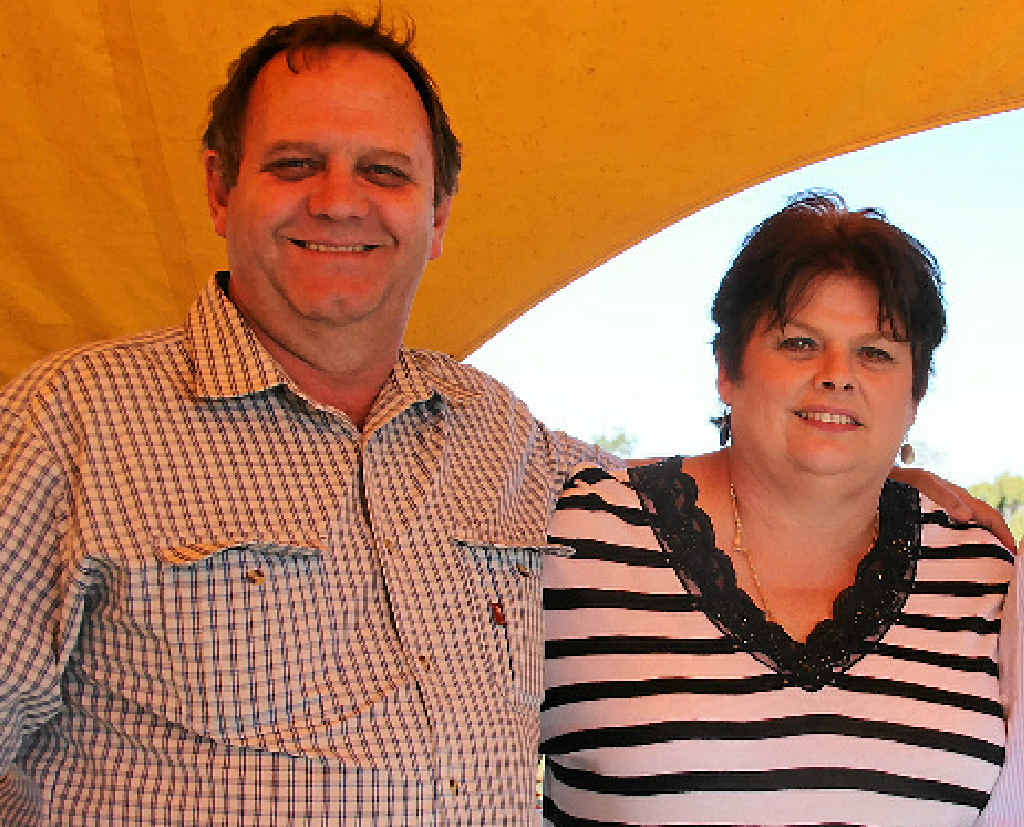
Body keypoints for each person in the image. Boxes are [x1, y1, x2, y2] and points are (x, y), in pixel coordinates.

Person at [0, 12, 1008, 825]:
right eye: (295, 164)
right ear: (221, 188)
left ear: (438, 215)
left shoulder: (498, 437)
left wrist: (876, 477)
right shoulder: (72, 424)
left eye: (385, 172)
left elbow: (726, 480)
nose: (342, 202)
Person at [541, 191, 1020, 826]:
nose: (836, 375)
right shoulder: (579, 539)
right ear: (726, 369)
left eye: (876, 353)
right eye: (799, 342)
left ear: (915, 394)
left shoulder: (986, 576)